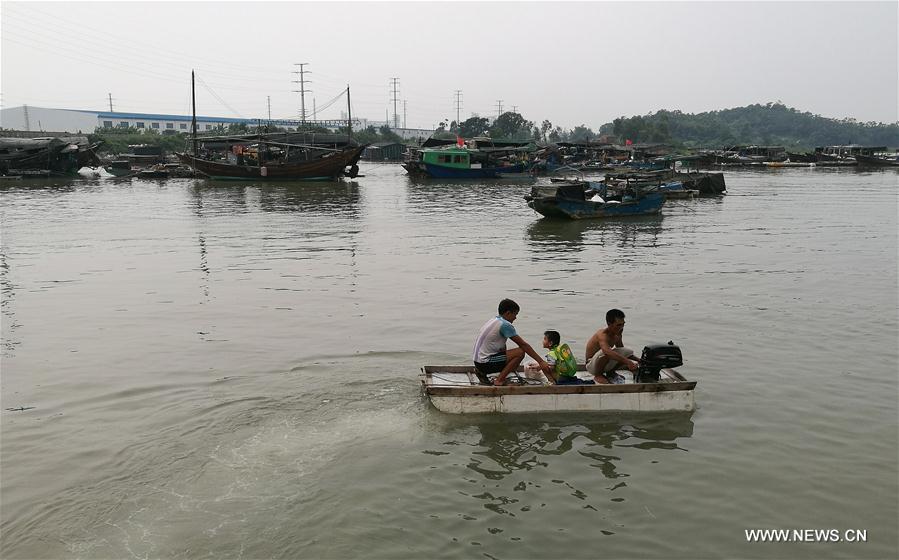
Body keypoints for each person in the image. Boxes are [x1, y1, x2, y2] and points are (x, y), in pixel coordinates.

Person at [472, 298, 553, 386]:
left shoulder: (494, 320)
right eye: (515, 314)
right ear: (508, 313)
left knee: (510, 352)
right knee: (520, 352)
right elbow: (523, 345)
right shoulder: (505, 325)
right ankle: (499, 380)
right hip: (484, 363)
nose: (515, 318)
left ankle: (488, 373)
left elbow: (502, 347)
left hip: (478, 361)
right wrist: (541, 362)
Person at [585, 309, 639, 384]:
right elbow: (607, 352)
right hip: (591, 366)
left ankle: (610, 372)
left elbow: (621, 349)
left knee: (627, 351)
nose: (621, 327)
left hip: (604, 362)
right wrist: (628, 362)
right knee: (606, 352)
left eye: (623, 324)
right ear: (609, 324)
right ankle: (598, 375)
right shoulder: (602, 335)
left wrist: (639, 361)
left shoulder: (618, 333)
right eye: (618, 325)